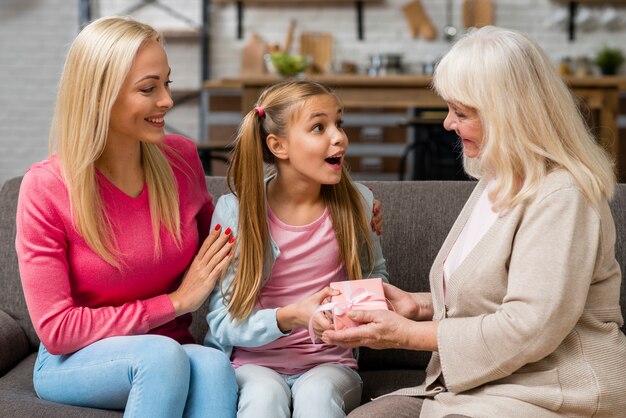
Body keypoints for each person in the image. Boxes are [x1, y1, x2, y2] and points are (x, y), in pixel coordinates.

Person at [322, 26, 626, 418]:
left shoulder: (563, 195)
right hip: (478, 389)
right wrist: (416, 307)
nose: (448, 123)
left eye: (461, 112)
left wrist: (403, 334)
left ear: (508, 116)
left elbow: (526, 328)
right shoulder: (496, 179)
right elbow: (496, 297)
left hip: (550, 393)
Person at [15, 16, 239, 417]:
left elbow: (231, 241)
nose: (167, 100)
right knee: (160, 357)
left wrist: (338, 209)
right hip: (75, 361)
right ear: (99, 96)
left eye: (166, 84)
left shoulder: (181, 159)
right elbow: (58, 330)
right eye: (148, 88)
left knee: (213, 364)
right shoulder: (45, 189)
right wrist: (175, 303)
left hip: (172, 350)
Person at [203, 79, 389, 418]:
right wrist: (290, 316)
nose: (339, 137)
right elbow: (222, 320)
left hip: (330, 364)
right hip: (251, 363)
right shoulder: (236, 211)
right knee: (262, 399)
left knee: (317, 396)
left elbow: (375, 277)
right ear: (278, 145)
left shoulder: (358, 203)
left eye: (339, 123)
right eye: (319, 127)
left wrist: (346, 312)